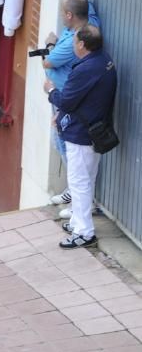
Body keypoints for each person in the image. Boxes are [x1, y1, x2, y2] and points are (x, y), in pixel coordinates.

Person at [43, 0, 102, 210]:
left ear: (69, 15)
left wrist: (50, 43)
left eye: (63, 10)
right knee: (65, 146)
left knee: (68, 147)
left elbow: (48, 61)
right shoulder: (86, 12)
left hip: (67, 96)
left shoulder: (70, 42)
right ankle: (74, 191)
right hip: (71, 95)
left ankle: (82, 200)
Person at [45, 24, 116, 249]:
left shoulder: (85, 69)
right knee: (88, 178)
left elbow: (67, 101)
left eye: (74, 41)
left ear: (82, 45)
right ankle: (77, 221)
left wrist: (50, 91)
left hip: (81, 134)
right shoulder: (103, 60)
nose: (73, 45)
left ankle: (84, 232)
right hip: (96, 130)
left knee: (79, 182)